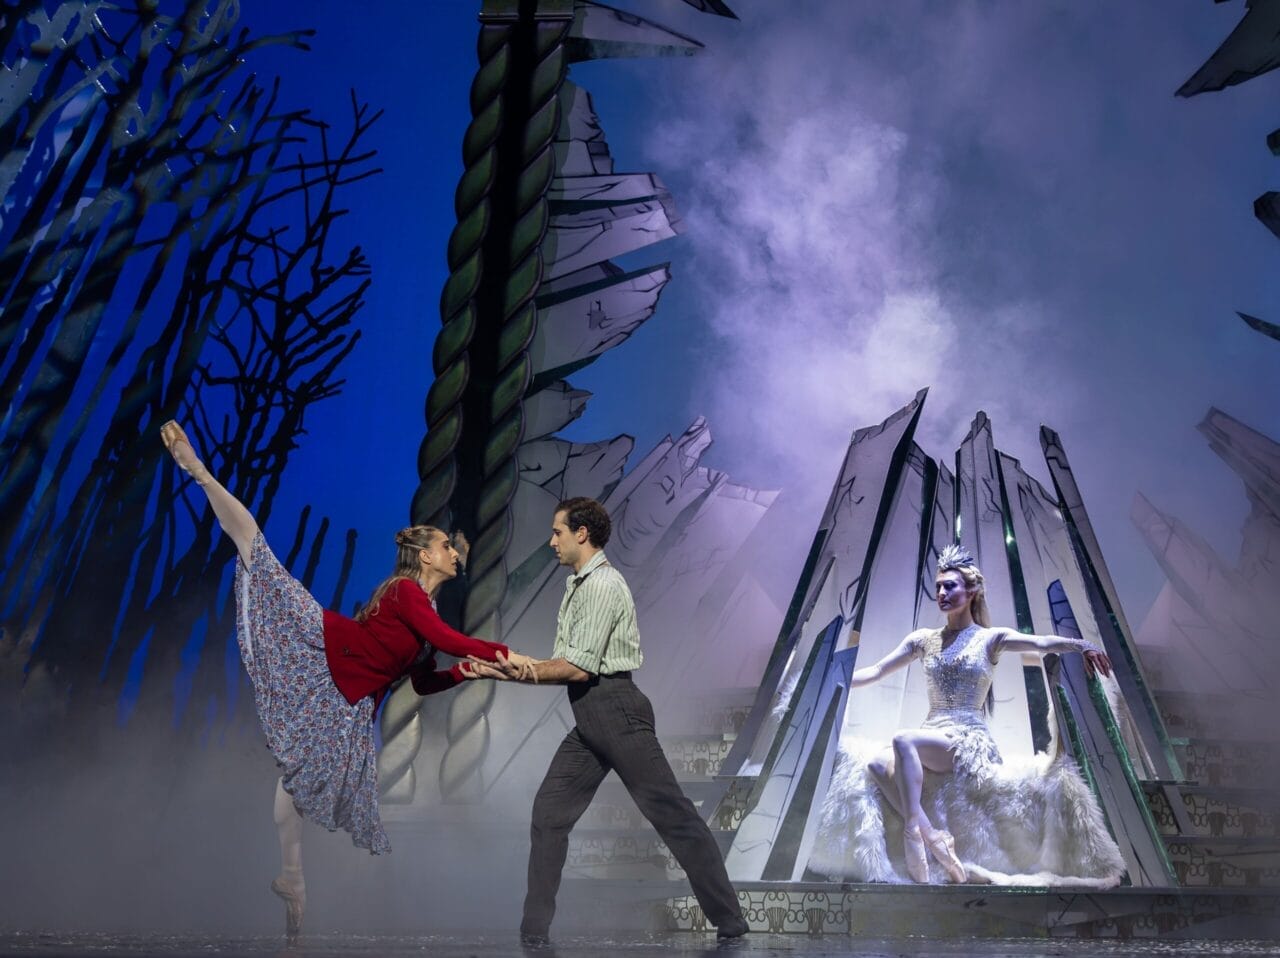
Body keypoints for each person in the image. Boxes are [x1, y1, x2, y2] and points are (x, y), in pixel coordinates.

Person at [159, 421, 532, 942]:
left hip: (350, 701)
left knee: (298, 774)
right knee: (257, 552)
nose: (453, 552)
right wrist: (504, 654)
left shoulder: (423, 614)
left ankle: (292, 876)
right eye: (446, 545)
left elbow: (423, 683)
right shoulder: (406, 593)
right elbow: (446, 636)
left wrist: (467, 673)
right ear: (425, 556)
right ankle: (197, 470)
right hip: (327, 649)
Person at [466, 497, 749, 945]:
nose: (551, 540)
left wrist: (517, 670)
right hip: (592, 718)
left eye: (558, 531)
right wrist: (504, 667)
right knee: (549, 813)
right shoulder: (580, 584)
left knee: (673, 816)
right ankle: (533, 932)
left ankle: (731, 923)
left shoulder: (602, 586)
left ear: (582, 533)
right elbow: (569, 664)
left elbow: (578, 667)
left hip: (616, 710)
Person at [809, 544, 1127, 887]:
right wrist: (833, 678)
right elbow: (876, 671)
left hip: (966, 740)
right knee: (874, 764)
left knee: (903, 739)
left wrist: (1082, 645)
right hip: (933, 732)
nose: (942, 593)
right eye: (939, 587)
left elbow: (1041, 643)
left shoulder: (990, 639)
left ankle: (915, 832)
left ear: (972, 591)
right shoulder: (923, 640)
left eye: (951, 586)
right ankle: (935, 838)